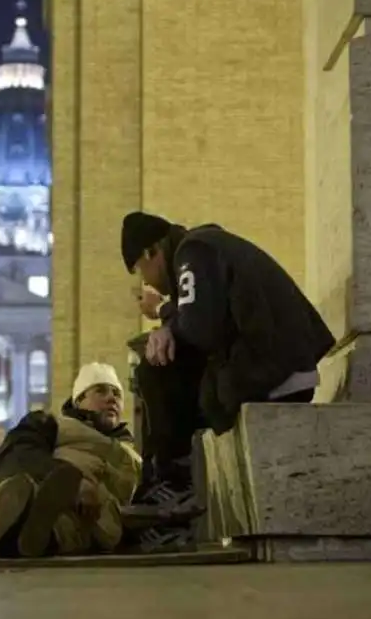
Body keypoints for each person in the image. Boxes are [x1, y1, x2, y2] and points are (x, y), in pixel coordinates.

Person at [120, 212, 335, 535]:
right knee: (173, 363)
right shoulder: (204, 249)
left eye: (140, 270)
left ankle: (173, 481)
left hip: (273, 366)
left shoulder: (193, 251)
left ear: (152, 251)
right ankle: (164, 481)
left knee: (157, 366)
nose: (146, 282)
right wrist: (169, 320)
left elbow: (199, 329)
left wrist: (165, 318)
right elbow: (207, 319)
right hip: (278, 360)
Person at [0, 362, 142, 558]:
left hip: (93, 518)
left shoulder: (133, 453)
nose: (111, 399)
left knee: (75, 528)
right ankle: (14, 520)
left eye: (117, 394)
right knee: (19, 489)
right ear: (79, 400)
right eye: (101, 391)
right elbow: (18, 451)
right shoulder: (54, 424)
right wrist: (72, 484)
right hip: (46, 490)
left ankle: (4, 534)